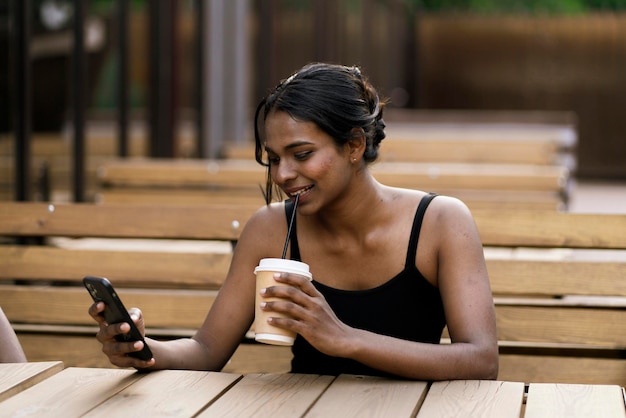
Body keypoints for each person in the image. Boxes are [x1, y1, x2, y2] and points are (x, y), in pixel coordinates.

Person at [89, 62, 498, 380]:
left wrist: (346, 340)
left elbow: (480, 360)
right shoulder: (269, 228)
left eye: (301, 155)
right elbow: (207, 351)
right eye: (273, 158)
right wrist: (143, 348)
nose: (282, 175)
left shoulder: (440, 222)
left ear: (354, 145)